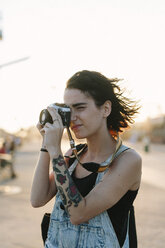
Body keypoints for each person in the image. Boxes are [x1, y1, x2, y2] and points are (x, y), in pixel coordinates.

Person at [31, 70, 142, 248]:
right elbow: (37, 199)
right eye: (68, 109)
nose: (72, 118)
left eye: (80, 108)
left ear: (105, 109)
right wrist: (46, 144)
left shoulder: (127, 160)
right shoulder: (72, 157)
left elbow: (78, 213)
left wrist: (55, 151)